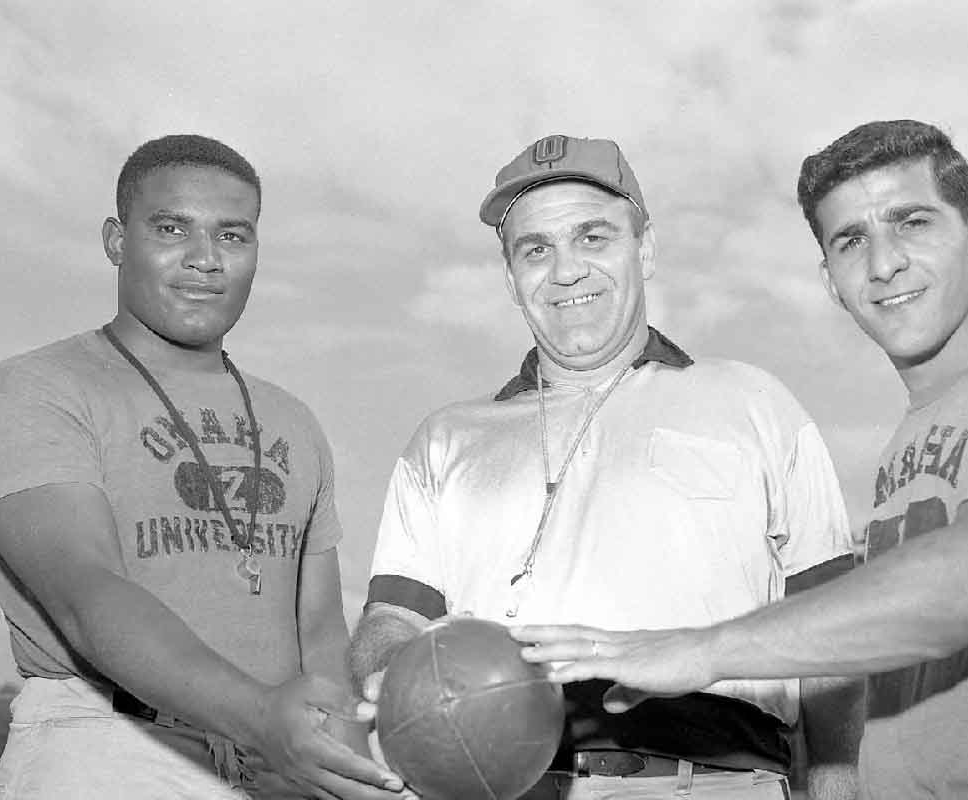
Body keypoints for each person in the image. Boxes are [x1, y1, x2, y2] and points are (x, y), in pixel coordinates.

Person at [515, 120, 968, 799]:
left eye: (912, 222)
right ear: (830, 281)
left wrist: (696, 649)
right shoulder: (904, 448)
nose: (883, 264)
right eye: (851, 240)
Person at [349, 134, 863, 800]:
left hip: (712, 781)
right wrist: (392, 665)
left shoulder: (754, 401)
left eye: (593, 238)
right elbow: (393, 617)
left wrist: (837, 781)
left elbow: (830, 619)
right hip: (495, 784)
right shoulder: (444, 439)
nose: (566, 271)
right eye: (536, 250)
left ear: (644, 249)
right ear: (510, 279)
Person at [0, 134, 405, 799]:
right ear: (117, 239)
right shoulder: (37, 389)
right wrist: (259, 718)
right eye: (172, 229)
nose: (205, 260)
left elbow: (319, 633)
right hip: (109, 746)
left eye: (232, 236)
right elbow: (89, 595)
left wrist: (336, 753)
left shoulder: (292, 422)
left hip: (277, 760)